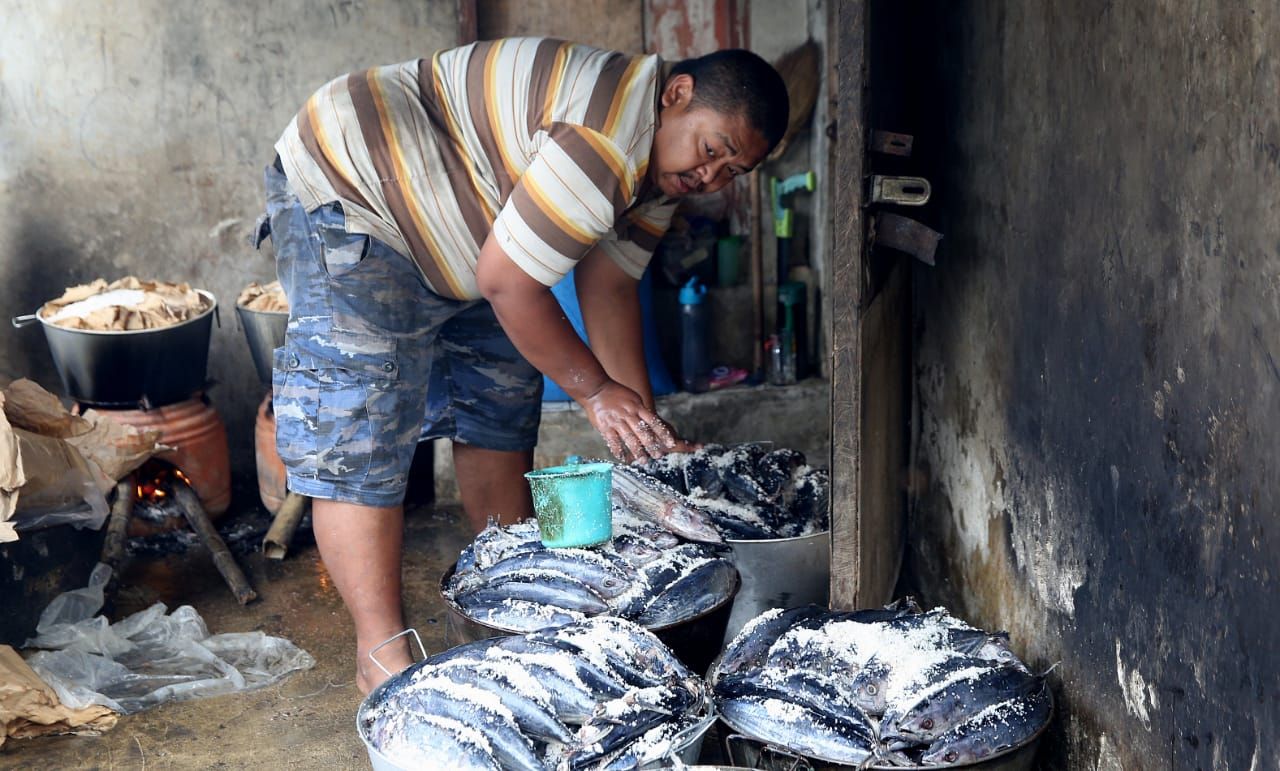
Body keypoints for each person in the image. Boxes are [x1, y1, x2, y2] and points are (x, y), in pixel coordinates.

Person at [255, 37, 788, 693]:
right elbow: (509, 282)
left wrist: (643, 440)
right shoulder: (609, 139)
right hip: (359, 186)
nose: (711, 178)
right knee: (361, 433)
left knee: (500, 408)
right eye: (711, 151)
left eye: (732, 172)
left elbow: (610, 287)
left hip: (478, 235)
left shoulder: (658, 171)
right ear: (676, 94)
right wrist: (593, 391)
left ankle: (505, 603)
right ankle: (382, 655)